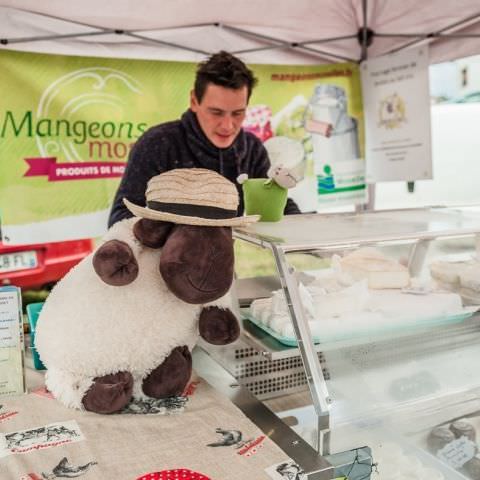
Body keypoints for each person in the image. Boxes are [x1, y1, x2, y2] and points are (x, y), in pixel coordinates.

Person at [108, 50, 300, 227]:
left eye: (238, 113)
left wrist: (309, 230)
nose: (228, 125)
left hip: (224, 261)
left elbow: (274, 204)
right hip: (162, 262)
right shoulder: (157, 143)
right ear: (194, 101)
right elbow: (120, 218)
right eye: (216, 112)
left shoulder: (252, 148)